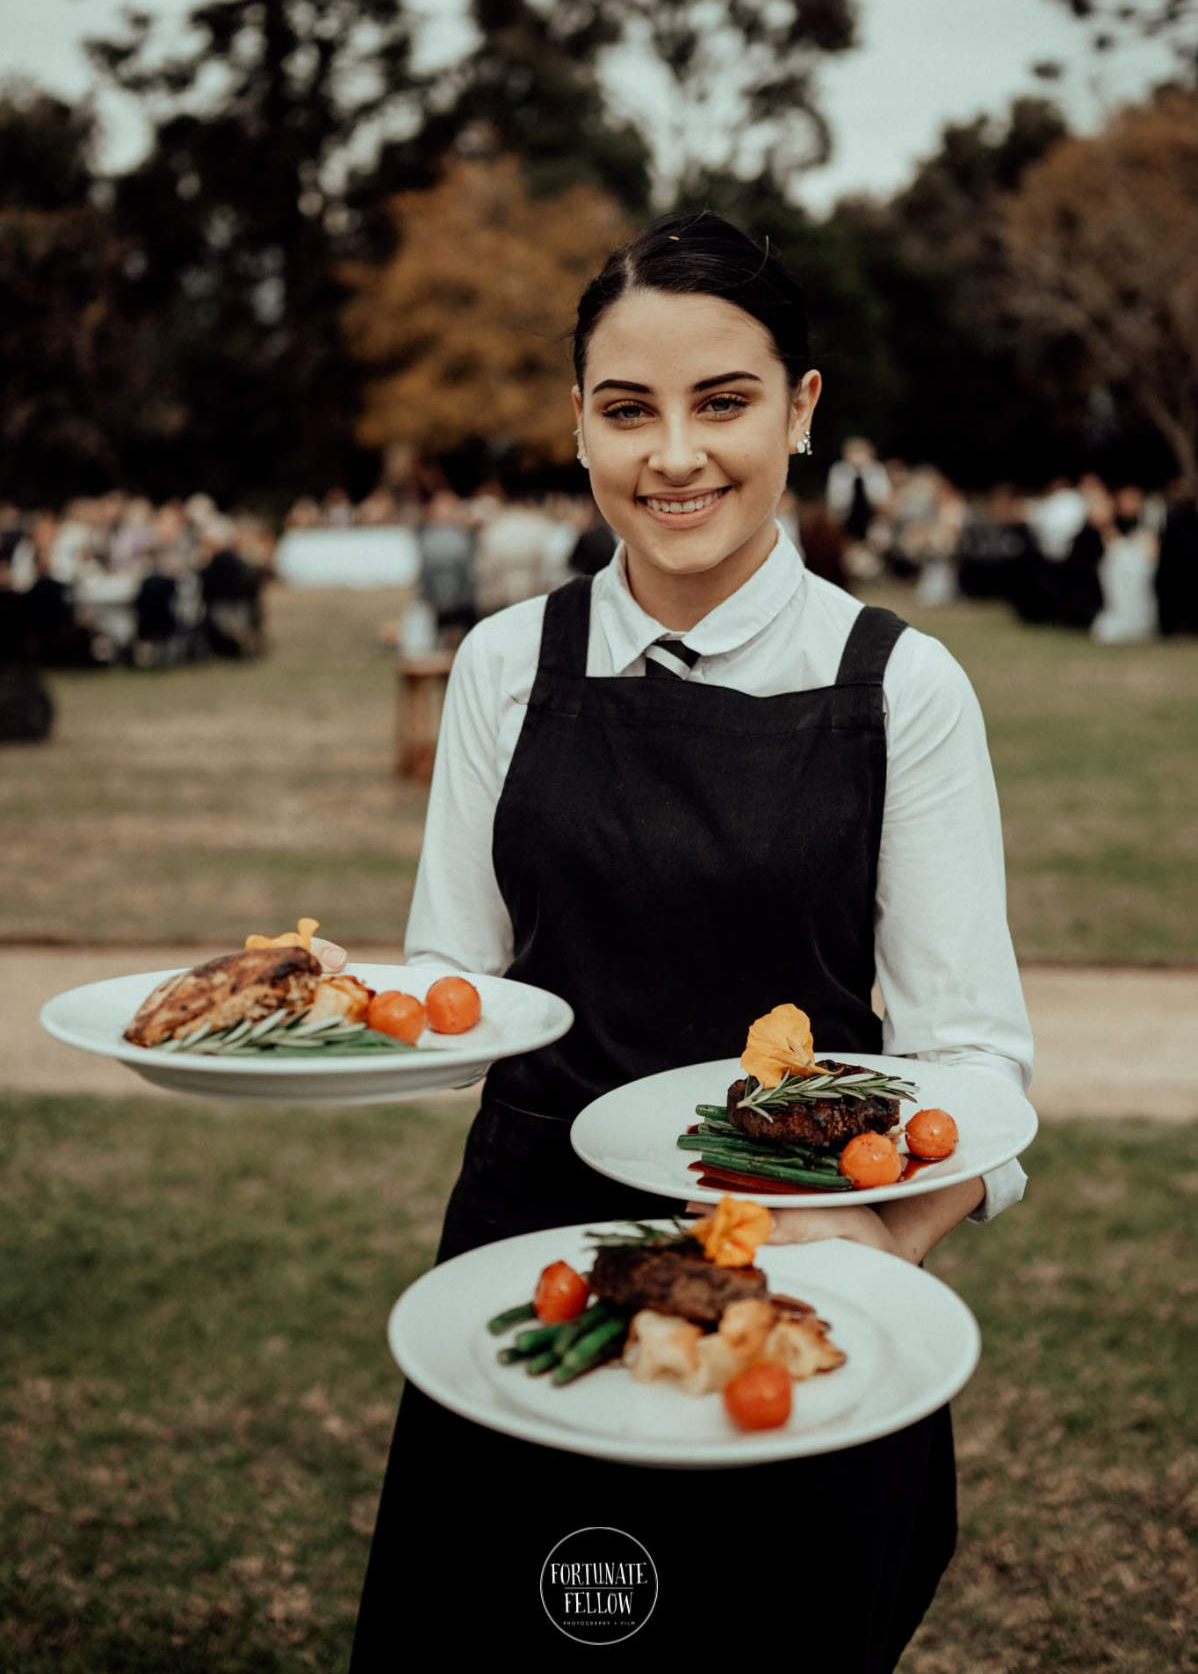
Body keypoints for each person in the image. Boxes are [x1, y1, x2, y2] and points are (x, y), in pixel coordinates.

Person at [347, 213, 1033, 1670]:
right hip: (529, 1256)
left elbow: (971, 1060)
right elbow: (456, 994)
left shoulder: (897, 687)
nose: (673, 456)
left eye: (721, 401)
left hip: (797, 1281)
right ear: (577, 426)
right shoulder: (500, 663)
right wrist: (313, 1026)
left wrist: (873, 1239)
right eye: (625, 409)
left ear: (799, 408)